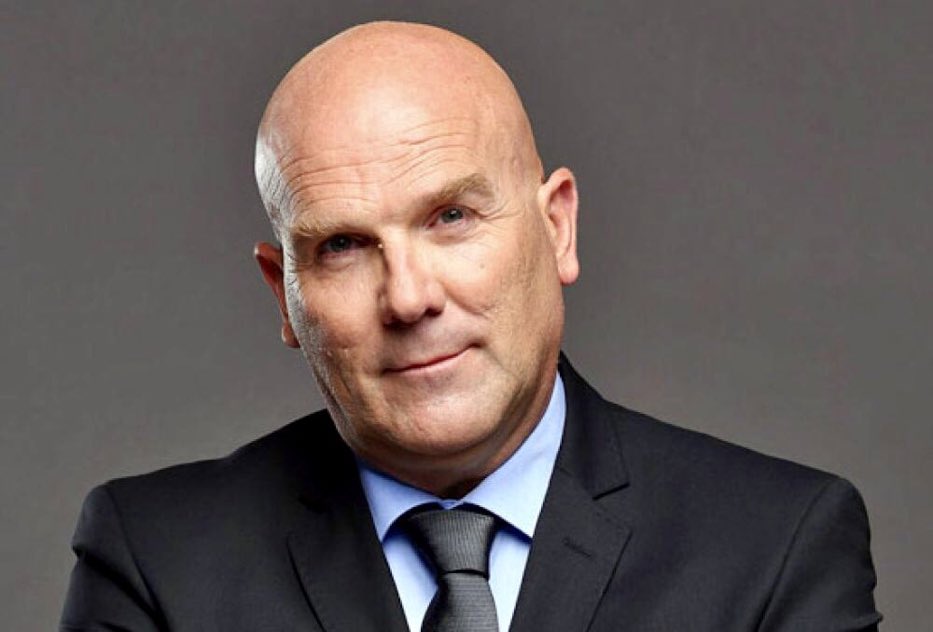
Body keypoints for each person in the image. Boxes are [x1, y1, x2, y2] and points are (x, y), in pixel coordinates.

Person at [61, 21, 881, 632]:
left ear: (556, 228)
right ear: (286, 296)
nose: (408, 298)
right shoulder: (157, 559)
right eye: (343, 245)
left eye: (451, 216)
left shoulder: (775, 545)